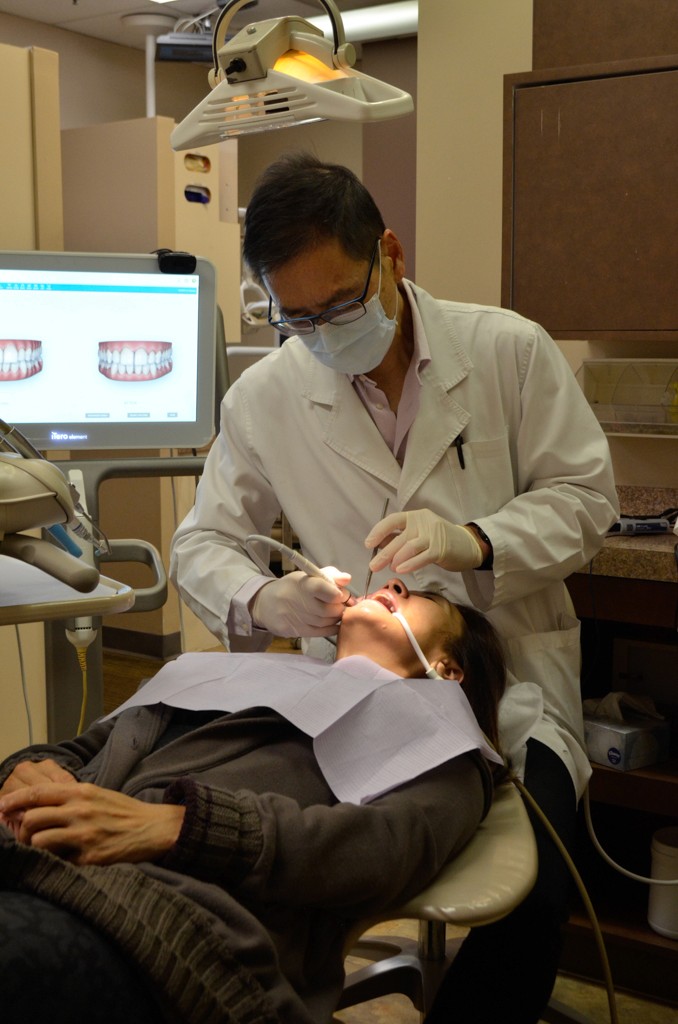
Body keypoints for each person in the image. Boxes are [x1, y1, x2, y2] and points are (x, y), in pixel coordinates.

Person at [169, 152, 620, 1022]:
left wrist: (477, 541)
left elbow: (587, 499)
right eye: (297, 319)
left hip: (512, 686)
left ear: (391, 255)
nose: (326, 333)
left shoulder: (507, 352)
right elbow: (204, 541)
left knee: (533, 898)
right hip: (346, 701)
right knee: (265, 864)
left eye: (340, 304)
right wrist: (263, 601)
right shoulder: (266, 398)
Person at [0, 580, 504, 1024]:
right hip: (31, 848)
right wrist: (22, 773)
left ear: (448, 670)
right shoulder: (245, 676)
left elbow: (385, 849)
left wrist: (183, 827)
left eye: (415, 596)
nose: (393, 584)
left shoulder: (441, 746)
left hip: (159, 916)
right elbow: (82, 747)